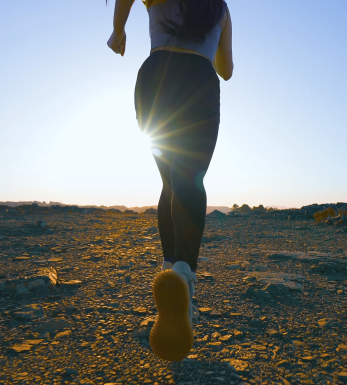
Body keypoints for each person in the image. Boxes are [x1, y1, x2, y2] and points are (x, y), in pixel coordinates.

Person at [108, 0, 233, 362]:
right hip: (199, 78)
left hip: (155, 77)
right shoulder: (220, 8)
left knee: (169, 184)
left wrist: (119, 30)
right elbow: (226, 70)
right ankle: (182, 281)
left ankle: (169, 276)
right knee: (189, 180)